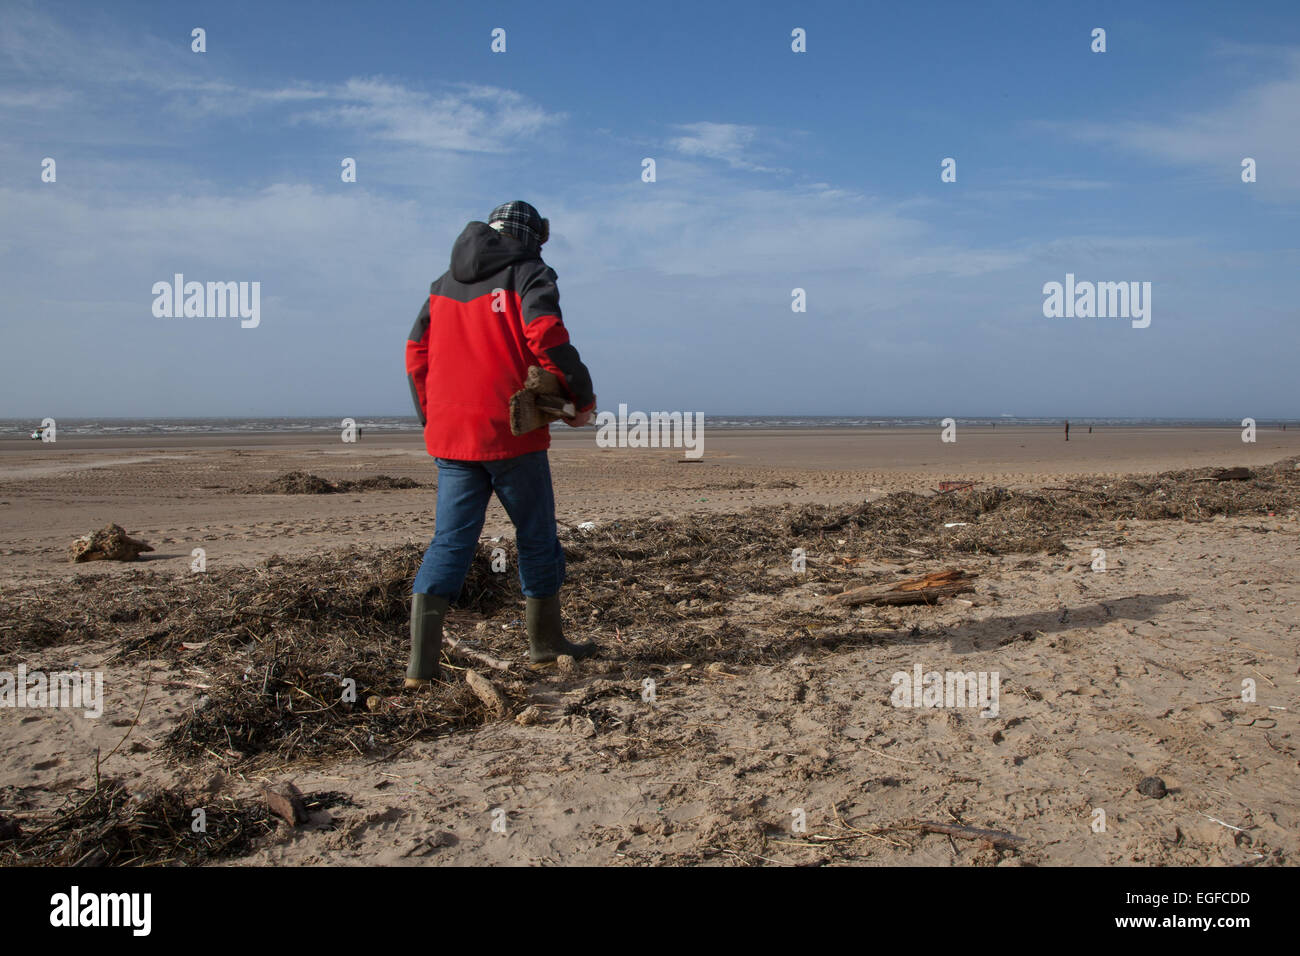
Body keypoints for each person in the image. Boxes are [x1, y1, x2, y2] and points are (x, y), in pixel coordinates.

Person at [403, 201, 598, 687]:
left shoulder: (441, 285)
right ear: (532, 237)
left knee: (449, 541)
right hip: (512, 433)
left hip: (451, 436)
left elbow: (416, 356)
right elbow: (545, 336)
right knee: (536, 538)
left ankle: (420, 668)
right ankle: (545, 645)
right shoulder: (529, 273)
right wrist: (581, 398)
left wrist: (432, 417)